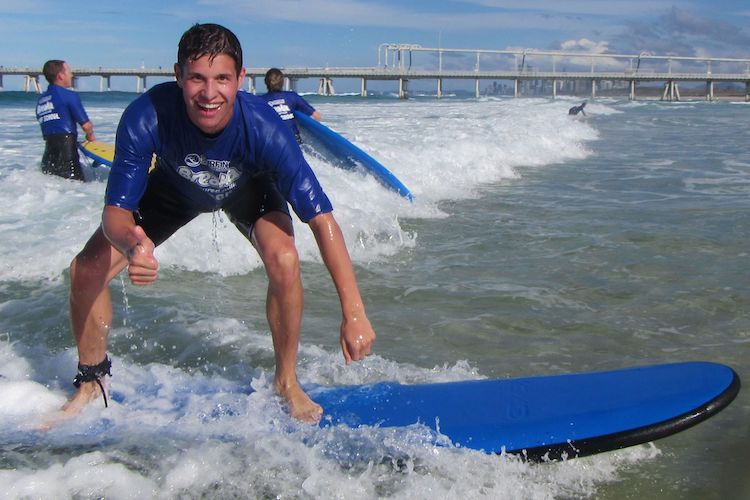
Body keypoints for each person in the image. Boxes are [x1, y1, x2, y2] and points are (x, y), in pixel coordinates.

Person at [58, 23, 375, 425]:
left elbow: (321, 219)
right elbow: (114, 214)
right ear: (178, 76)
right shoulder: (145, 116)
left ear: (241, 79)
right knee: (85, 271)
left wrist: (354, 311)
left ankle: (287, 381)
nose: (209, 94)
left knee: (285, 260)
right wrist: (132, 244)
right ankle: (92, 380)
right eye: (197, 79)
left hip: (249, 188)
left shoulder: (266, 129)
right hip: (174, 191)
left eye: (222, 78)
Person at [35, 60, 96, 180]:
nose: (72, 75)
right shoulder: (69, 95)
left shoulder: (41, 100)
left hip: (48, 155)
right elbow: (86, 126)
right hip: (67, 153)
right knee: (76, 188)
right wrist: (91, 137)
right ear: (60, 75)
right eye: (69, 72)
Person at [261, 68, 321, 143]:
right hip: (293, 140)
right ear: (282, 82)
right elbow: (317, 116)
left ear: (265, 82)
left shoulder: (259, 101)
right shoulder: (292, 97)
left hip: (272, 142)